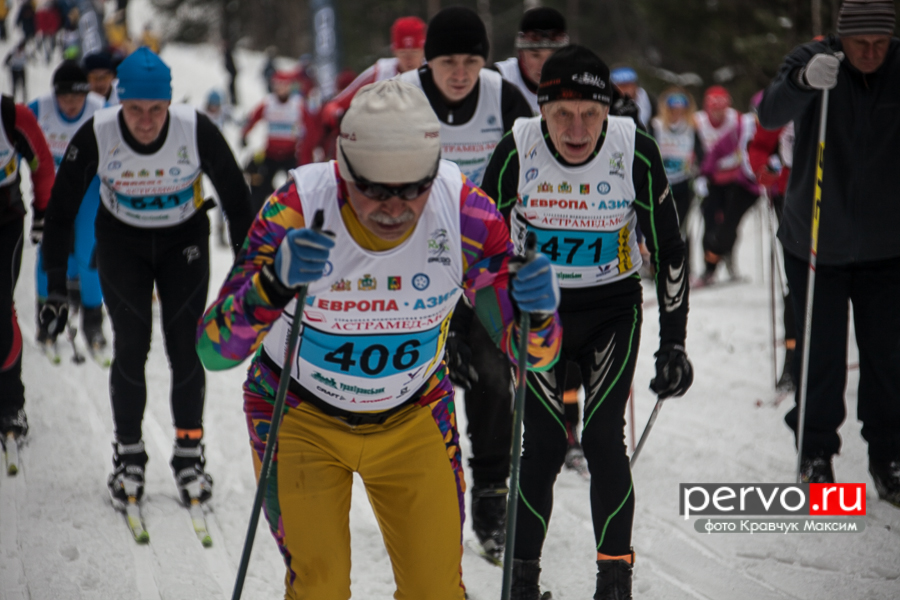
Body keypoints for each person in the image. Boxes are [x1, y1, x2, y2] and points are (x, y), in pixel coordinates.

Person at [195, 79, 562, 600]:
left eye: (414, 187)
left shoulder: (465, 215)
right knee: (318, 587)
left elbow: (533, 354)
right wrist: (271, 285)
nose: (396, 207)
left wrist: (541, 314)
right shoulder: (298, 208)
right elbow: (213, 350)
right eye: (375, 189)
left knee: (435, 590)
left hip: (412, 416)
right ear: (344, 173)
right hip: (300, 415)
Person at [481, 45, 692, 599]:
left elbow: (668, 248)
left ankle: (614, 581)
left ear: (610, 111)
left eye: (591, 114)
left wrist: (674, 344)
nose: (577, 129)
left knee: (603, 440)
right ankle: (522, 582)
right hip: (538, 313)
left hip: (610, 310)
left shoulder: (634, 150)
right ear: (541, 109)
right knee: (545, 444)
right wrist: (476, 324)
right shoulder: (518, 149)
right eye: (562, 114)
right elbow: (478, 247)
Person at [41, 48, 254, 510]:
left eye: (155, 109)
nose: (145, 121)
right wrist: (56, 284)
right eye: (134, 109)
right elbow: (58, 213)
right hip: (123, 243)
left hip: (185, 244)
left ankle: (188, 454)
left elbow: (239, 203)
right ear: (119, 103)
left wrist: (247, 274)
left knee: (185, 345)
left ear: (169, 104)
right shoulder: (99, 132)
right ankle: (129, 454)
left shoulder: (194, 128)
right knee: (132, 345)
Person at [398, 5, 534, 561]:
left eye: (472, 60)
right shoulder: (402, 95)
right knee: (412, 374)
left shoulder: (503, 96)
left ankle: (490, 498)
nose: (460, 72)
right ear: (428, 61)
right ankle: (412, 490)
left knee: (494, 380)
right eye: (448, 61)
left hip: (484, 257)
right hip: (410, 258)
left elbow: (538, 162)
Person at [757, 0, 900, 504]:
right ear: (842, 39)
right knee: (822, 356)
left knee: (887, 358)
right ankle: (816, 451)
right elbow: (768, 113)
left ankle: (888, 454)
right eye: (860, 43)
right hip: (814, 241)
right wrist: (800, 83)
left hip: (886, 245)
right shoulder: (813, 58)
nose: (870, 53)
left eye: (880, 44)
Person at [29, 60, 107, 357]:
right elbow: (14, 133)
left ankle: (93, 320)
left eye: (78, 97)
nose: (72, 104)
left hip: (89, 190)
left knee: (89, 252)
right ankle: (46, 317)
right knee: (49, 252)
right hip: (53, 189)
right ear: (55, 95)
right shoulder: (41, 108)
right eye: (66, 98)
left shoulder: (100, 108)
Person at [0, 92, 55, 452]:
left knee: (1, 308)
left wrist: (43, 212)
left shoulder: (12, 115)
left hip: (3, 220)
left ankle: (10, 405)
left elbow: (44, 165)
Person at [748, 119, 796, 394]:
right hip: (791, 195)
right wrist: (762, 167)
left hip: (846, 199)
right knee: (798, 281)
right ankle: (793, 361)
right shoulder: (791, 93)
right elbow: (760, 145)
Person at [693, 85, 759, 285]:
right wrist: (702, 175)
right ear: (707, 107)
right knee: (710, 222)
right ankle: (708, 268)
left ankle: (729, 261)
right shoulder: (698, 121)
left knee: (730, 224)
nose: (718, 112)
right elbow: (704, 151)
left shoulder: (737, 119)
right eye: (714, 108)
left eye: (722, 107)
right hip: (712, 180)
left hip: (734, 180)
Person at [321, 16, 426, 128]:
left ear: (423, 50)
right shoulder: (381, 72)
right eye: (403, 53)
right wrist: (340, 116)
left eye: (414, 52)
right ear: (394, 50)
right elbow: (334, 105)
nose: (409, 59)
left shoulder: (434, 73)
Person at [241, 70, 318, 212]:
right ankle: (253, 220)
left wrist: (312, 147)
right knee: (258, 189)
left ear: (289, 87)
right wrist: (244, 134)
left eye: (284, 85)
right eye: (278, 85)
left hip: (290, 155)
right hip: (270, 155)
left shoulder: (297, 104)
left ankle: (300, 216)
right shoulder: (268, 103)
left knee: (299, 188)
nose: (281, 89)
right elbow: (253, 117)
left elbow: (311, 127)